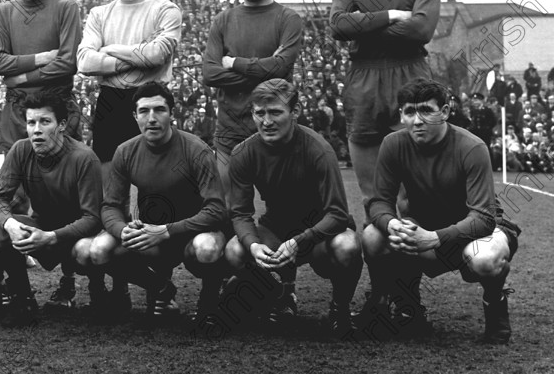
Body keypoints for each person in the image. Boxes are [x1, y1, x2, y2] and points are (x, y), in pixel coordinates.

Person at [361, 78, 520, 344]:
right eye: (409, 112)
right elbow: (378, 202)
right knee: (372, 237)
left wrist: (433, 237)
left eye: (426, 110)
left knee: (484, 258)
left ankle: (495, 305)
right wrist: (391, 224)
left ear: (445, 112)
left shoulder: (472, 147)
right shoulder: (393, 144)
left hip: (479, 231)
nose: (417, 120)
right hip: (424, 225)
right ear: (401, 115)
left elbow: (483, 218)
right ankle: (402, 307)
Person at [224, 79, 361, 337]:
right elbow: (240, 213)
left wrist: (300, 241)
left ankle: (339, 309)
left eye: (275, 112)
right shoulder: (243, 153)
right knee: (234, 250)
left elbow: (338, 213)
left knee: (348, 246)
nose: (267, 121)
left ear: (295, 112)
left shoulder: (318, 149)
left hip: (321, 232)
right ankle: (279, 295)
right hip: (275, 228)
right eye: (259, 113)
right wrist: (254, 245)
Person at [329, 0, 441, 212]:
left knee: (414, 197)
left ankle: (422, 255)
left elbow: (421, 29)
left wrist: (361, 25)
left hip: (412, 78)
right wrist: (390, 15)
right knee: (374, 198)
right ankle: (381, 257)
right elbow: (338, 25)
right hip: (363, 83)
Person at [90, 82, 228, 320]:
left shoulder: (197, 150)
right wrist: (123, 230)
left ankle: (210, 300)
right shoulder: (125, 151)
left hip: (192, 235)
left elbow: (216, 209)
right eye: (144, 111)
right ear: (134, 116)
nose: (151, 118)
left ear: (172, 114)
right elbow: (111, 205)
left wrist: (167, 231)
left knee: (207, 248)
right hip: (151, 235)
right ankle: (160, 287)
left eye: (159, 110)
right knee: (99, 250)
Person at [0, 91, 104, 326]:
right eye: (31, 122)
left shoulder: (84, 158)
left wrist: (51, 237)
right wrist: (11, 225)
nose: (36, 129)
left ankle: (98, 294)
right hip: (41, 227)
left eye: (45, 122)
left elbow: (93, 218)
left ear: (61, 125)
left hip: (75, 236)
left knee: (87, 250)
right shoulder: (20, 150)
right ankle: (22, 298)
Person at [77, 0, 182, 177]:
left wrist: (109, 49)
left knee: (154, 176)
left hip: (151, 97)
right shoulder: (99, 13)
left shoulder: (165, 9)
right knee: (109, 179)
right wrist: (141, 58)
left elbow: (156, 55)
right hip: (110, 100)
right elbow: (84, 62)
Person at [202, 0, 302, 185]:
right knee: (224, 208)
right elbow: (209, 74)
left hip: (275, 126)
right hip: (229, 130)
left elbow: (281, 68)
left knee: (285, 210)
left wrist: (234, 63)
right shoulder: (223, 20)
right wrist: (266, 72)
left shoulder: (288, 18)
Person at [0, 0, 83, 151]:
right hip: (16, 113)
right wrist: (41, 58)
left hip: (58, 110)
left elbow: (67, 63)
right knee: (16, 179)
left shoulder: (66, 7)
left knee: (62, 179)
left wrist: (23, 78)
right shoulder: (4, 11)